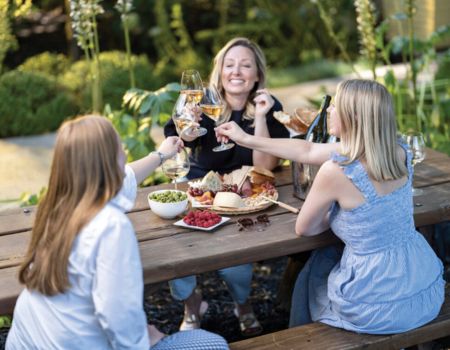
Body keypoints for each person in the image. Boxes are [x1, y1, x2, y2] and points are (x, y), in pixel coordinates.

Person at [216, 79, 445, 334]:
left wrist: (335, 213)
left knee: (311, 271)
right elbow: (308, 149)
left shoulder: (336, 171)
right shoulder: (399, 151)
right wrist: (244, 138)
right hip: (421, 287)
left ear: (353, 117)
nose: (328, 111)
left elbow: (305, 228)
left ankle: (303, 337)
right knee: (328, 256)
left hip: (378, 304)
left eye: (335, 106)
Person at [6, 115, 229, 350]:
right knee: (214, 344)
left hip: (29, 339)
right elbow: (117, 315)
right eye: (118, 146)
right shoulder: (110, 226)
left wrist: (161, 154)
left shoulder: (57, 205)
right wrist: (147, 339)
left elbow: (126, 177)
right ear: (110, 159)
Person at [164, 37, 289, 336]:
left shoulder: (267, 105)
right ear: (219, 71)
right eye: (229, 65)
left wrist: (259, 116)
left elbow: (265, 166)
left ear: (257, 75)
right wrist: (189, 128)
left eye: (246, 65)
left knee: (235, 264)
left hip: (244, 197)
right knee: (176, 252)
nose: (236, 71)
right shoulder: (201, 102)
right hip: (198, 191)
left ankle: (242, 305)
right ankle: (192, 305)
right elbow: (182, 141)